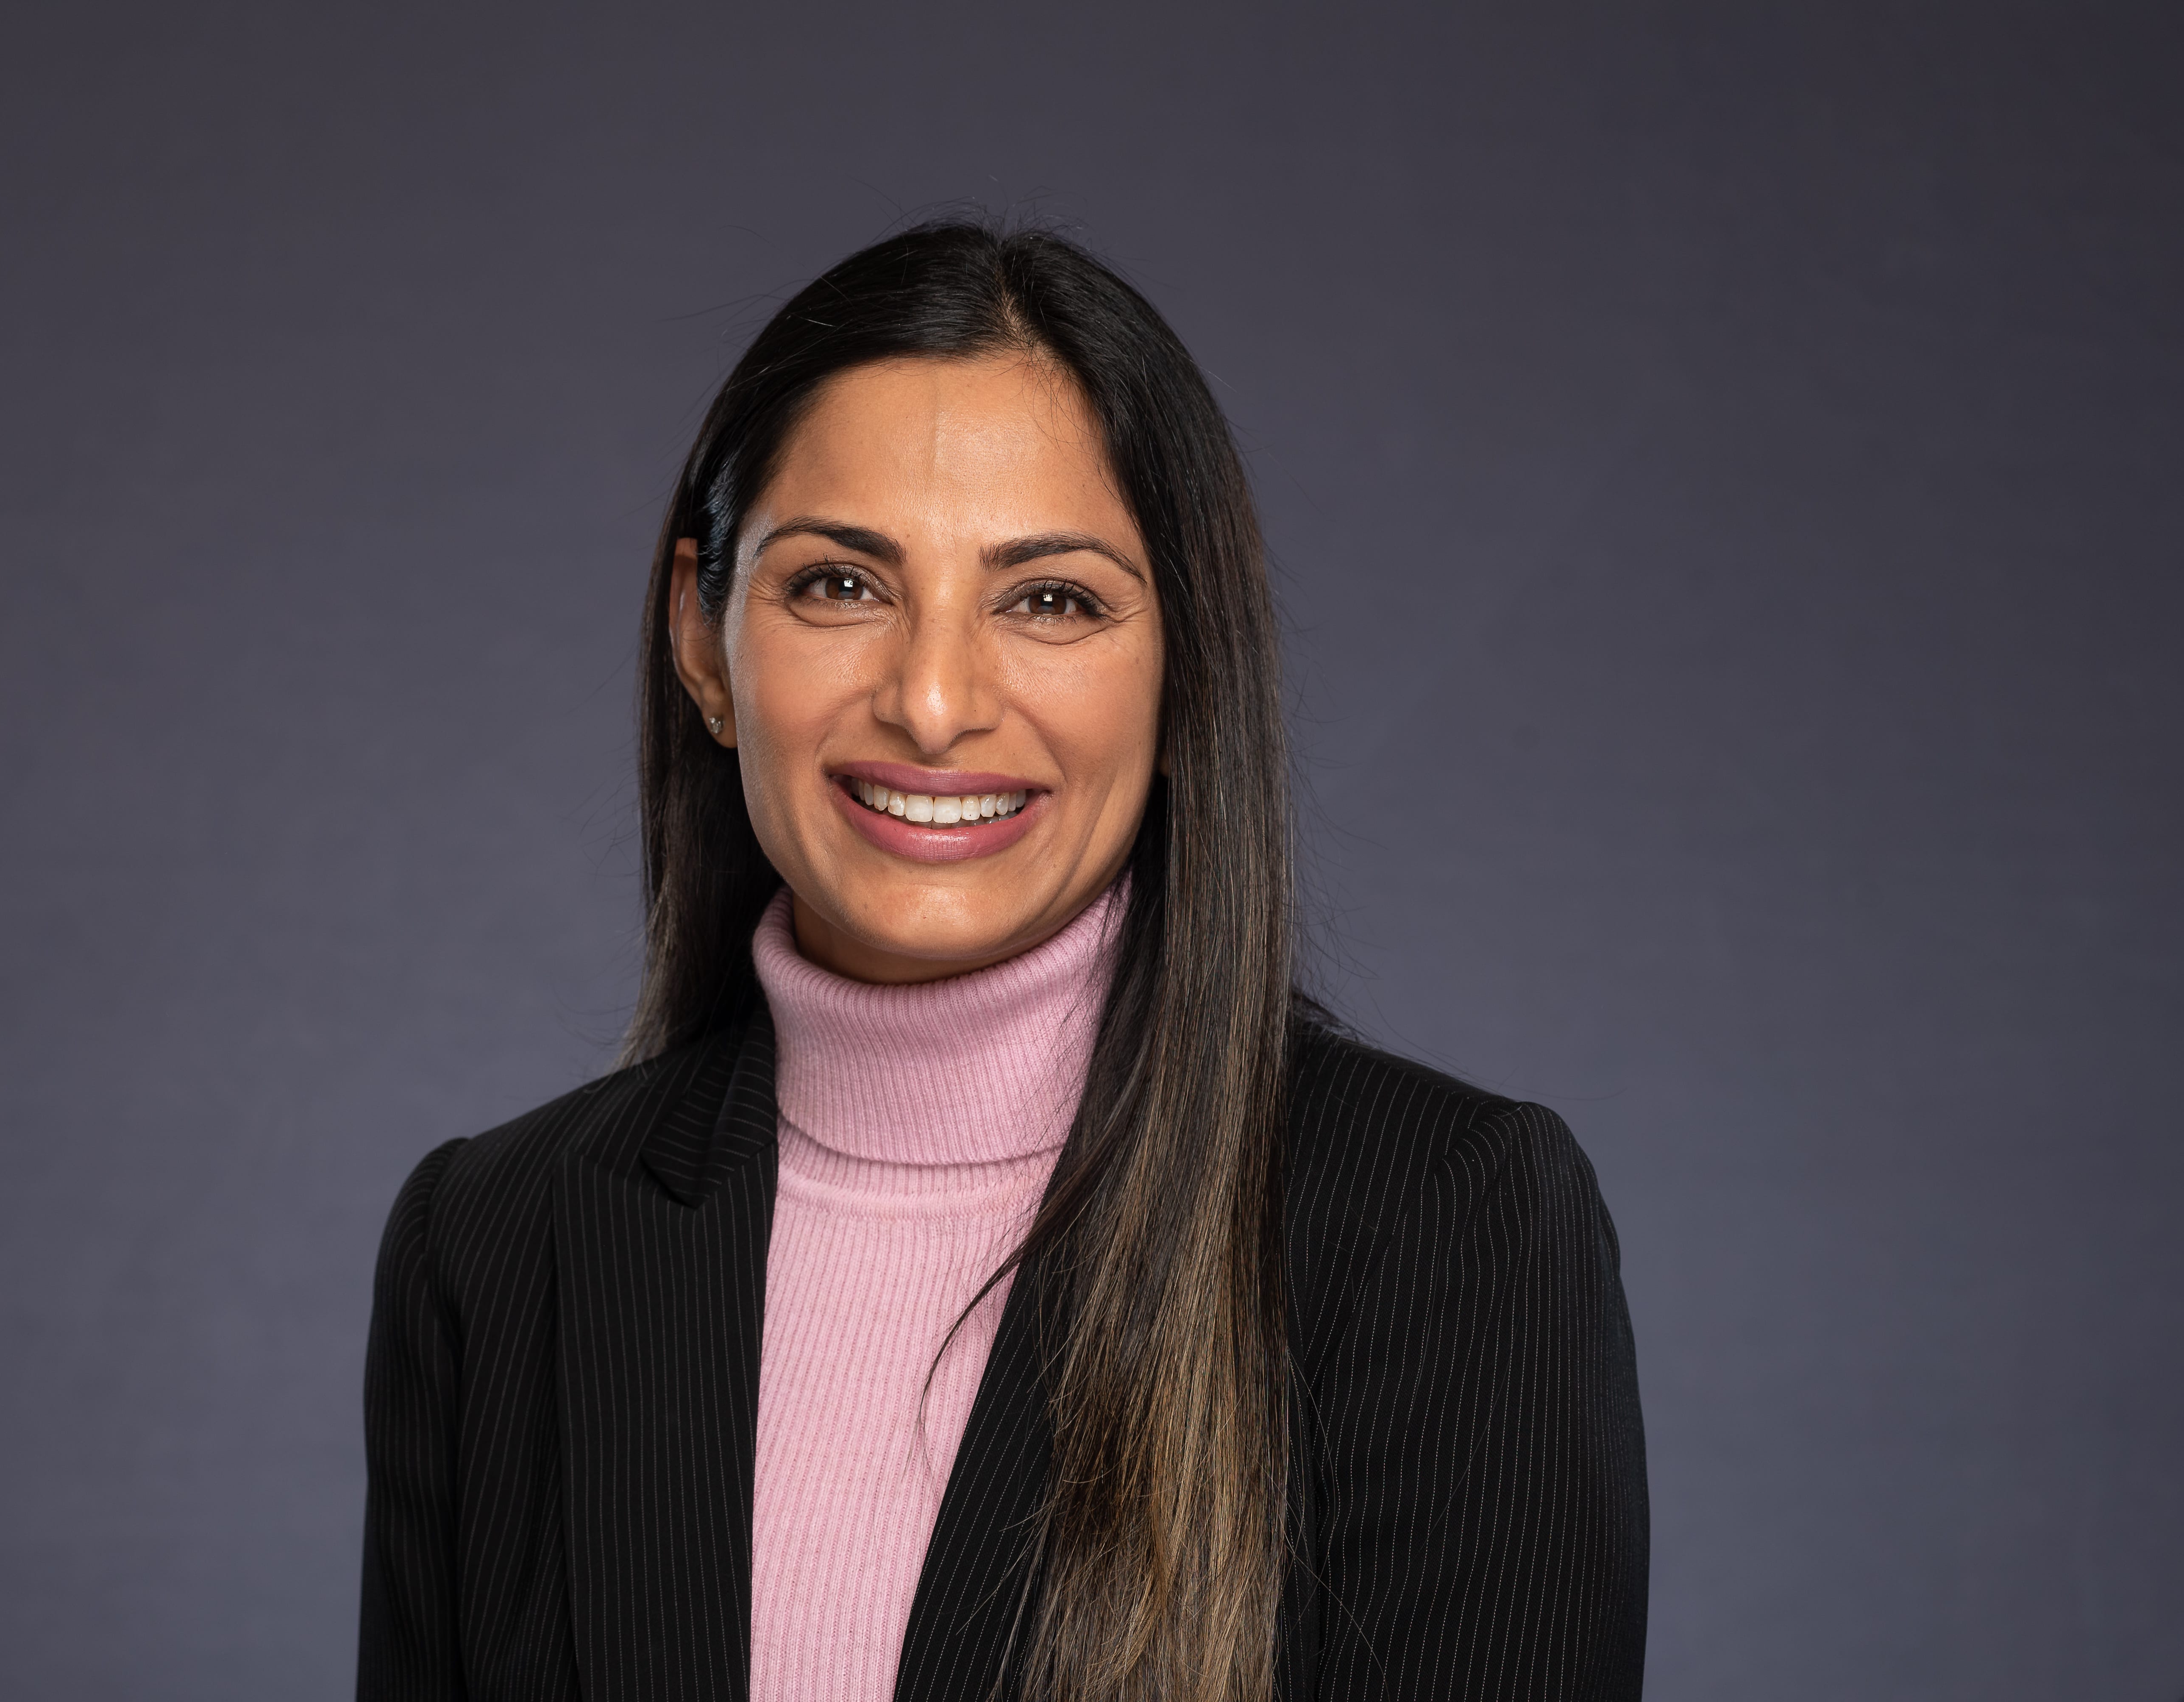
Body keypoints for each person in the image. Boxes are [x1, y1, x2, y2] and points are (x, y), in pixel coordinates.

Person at [357, 221, 1648, 1702]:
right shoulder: (495, 1243)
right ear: (704, 644)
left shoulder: (1445, 1225)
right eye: (841, 584)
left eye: (1052, 601)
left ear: (1188, 672)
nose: (932, 699)